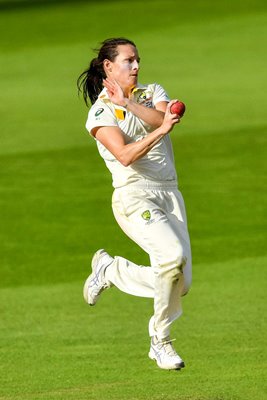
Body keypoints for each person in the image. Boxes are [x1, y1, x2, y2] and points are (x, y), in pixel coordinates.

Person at [77, 37, 192, 371]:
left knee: (179, 283)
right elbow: (125, 156)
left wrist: (128, 103)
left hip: (169, 192)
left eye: (138, 59)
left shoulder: (150, 91)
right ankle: (161, 341)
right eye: (129, 61)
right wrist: (159, 130)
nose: (137, 66)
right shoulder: (99, 113)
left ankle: (111, 270)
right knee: (171, 258)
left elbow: (160, 118)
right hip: (134, 194)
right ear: (108, 67)